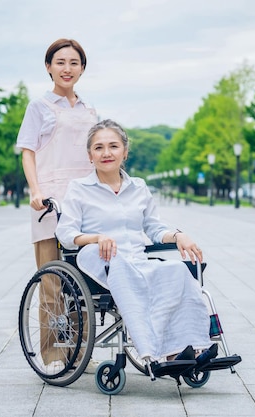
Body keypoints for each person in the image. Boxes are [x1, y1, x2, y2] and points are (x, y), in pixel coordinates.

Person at [55, 119, 217, 370]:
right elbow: (66, 233)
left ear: (125, 152)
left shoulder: (138, 187)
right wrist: (96, 237)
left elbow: (153, 228)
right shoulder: (80, 188)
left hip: (136, 259)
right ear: (90, 155)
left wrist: (177, 235)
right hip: (98, 258)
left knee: (176, 270)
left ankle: (186, 349)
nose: (106, 153)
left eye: (113, 146)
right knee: (122, 268)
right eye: (98, 148)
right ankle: (153, 352)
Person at [16, 38, 98, 367]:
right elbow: (28, 151)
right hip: (49, 202)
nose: (67, 68)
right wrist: (35, 191)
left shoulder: (90, 111)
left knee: (87, 281)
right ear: (49, 67)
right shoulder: (39, 107)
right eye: (60, 62)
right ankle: (53, 352)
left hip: (85, 200)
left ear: (82, 68)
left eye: (74, 62)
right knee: (53, 280)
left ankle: (82, 349)